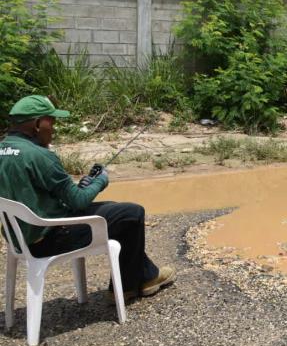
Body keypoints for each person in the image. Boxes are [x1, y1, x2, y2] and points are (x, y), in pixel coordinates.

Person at [0, 95, 174, 302]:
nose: (54, 130)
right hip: (50, 240)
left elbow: (36, 195)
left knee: (115, 210)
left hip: (19, 239)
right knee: (132, 213)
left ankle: (145, 276)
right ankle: (131, 285)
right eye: (52, 123)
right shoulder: (39, 156)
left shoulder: (4, 150)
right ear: (38, 124)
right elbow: (79, 202)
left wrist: (79, 187)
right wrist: (100, 181)